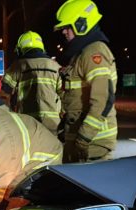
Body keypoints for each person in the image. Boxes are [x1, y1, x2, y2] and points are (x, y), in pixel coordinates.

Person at [55, 0, 118, 162]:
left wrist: (84, 138)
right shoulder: (82, 54)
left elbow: (103, 99)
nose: (64, 32)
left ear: (81, 24)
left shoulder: (93, 53)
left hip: (92, 142)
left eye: (67, 27)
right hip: (82, 140)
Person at [2, 31, 62, 135]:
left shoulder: (18, 65)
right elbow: (65, 95)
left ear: (21, 48)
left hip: (28, 124)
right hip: (52, 124)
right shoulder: (55, 66)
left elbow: (4, 93)